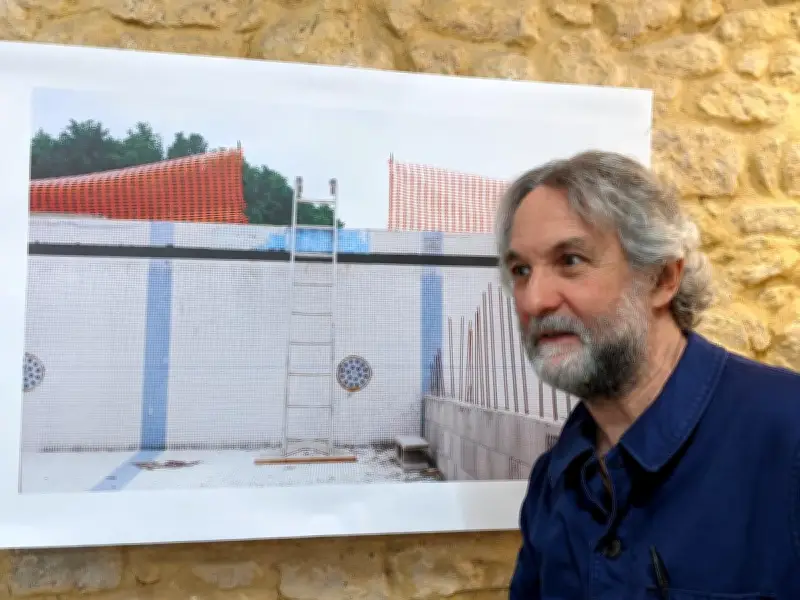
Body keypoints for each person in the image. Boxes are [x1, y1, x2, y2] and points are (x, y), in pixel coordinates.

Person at [496, 150, 800, 599]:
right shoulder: (555, 480)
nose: (534, 300)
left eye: (571, 261)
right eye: (521, 270)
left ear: (661, 278)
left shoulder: (787, 432)